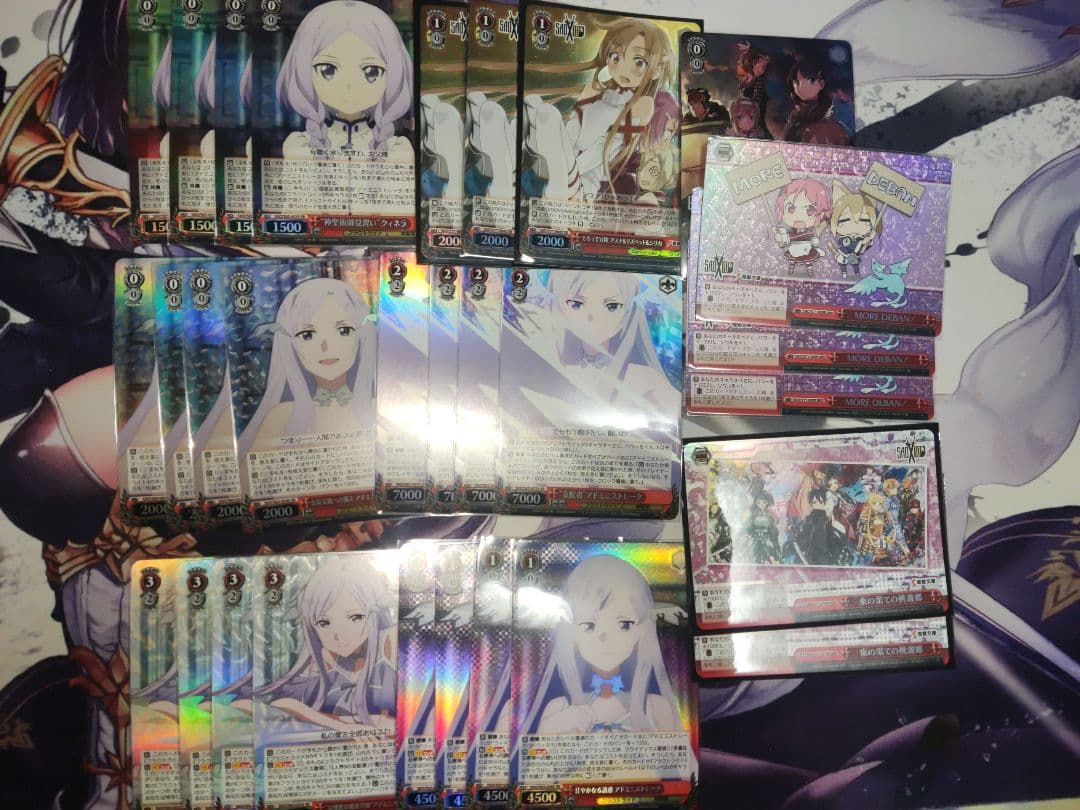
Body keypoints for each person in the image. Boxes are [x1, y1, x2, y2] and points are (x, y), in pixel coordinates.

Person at [522, 18, 678, 205]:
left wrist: (570, 173)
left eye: (638, 62)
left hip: (586, 179)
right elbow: (573, 128)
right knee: (532, 105)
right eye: (616, 57)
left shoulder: (643, 105)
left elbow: (606, 149)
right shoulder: (595, 89)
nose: (623, 69)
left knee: (548, 115)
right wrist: (560, 165)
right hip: (563, 164)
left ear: (657, 70)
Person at [521, 555, 679, 735]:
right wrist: (549, 729)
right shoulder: (558, 709)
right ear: (571, 634)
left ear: (641, 631)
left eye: (624, 624)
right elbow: (539, 753)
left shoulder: (657, 708)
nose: (605, 637)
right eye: (589, 625)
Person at [236, 277, 376, 459]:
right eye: (307, 334)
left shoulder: (379, 408)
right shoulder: (282, 416)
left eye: (344, 331)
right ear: (291, 343)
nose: (326, 346)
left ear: (361, 335)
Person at [257, 557, 396, 733]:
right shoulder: (324, 657)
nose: (339, 635)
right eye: (324, 623)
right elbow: (278, 703)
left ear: (374, 613)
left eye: (355, 618)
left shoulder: (389, 642)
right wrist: (341, 725)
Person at [276, 0, 413, 160]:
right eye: (328, 70)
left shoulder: (398, 148)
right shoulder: (299, 145)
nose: (349, 85)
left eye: (371, 72)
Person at [773, 178, 830, 275]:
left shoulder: (810, 232)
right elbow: (785, 241)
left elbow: (814, 239)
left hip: (806, 248)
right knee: (792, 261)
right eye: (791, 209)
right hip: (794, 249)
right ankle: (791, 269)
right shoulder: (790, 231)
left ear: (821, 213)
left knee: (808, 261)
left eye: (810, 210)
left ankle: (809, 271)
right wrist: (780, 238)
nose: (799, 217)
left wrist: (816, 247)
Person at [829, 181, 883, 278]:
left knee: (855, 265)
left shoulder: (862, 238)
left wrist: (868, 240)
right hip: (844, 255)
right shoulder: (844, 239)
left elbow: (862, 250)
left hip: (855, 257)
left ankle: (857, 274)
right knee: (842, 264)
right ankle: (844, 274)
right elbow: (846, 246)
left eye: (865, 221)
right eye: (844, 221)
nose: (855, 226)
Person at [786, 488, 848, 565]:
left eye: (821, 502)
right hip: (812, 562)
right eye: (815, 502)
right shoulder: (812, 521)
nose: (818, 506)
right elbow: (802, 542)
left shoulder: (836, 526)